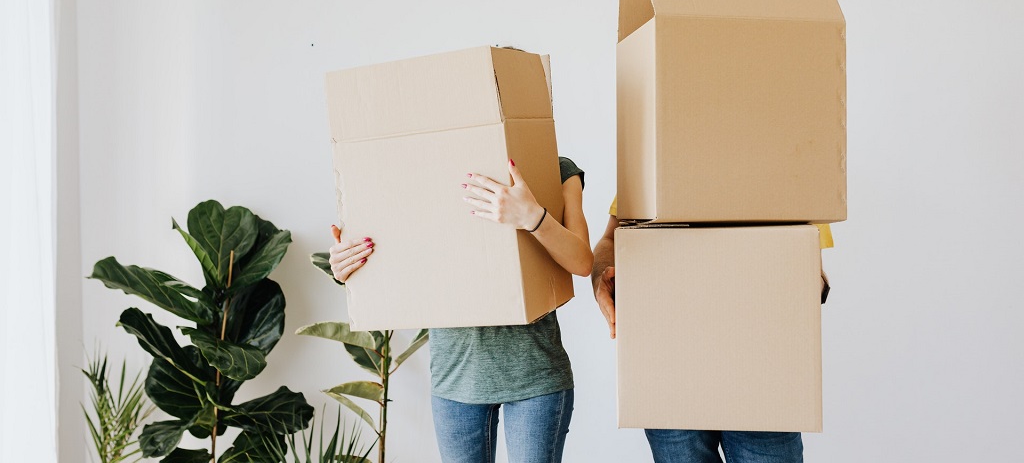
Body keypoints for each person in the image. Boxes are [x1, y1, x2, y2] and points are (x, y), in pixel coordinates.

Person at [329, 157, 592, 463]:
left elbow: (583, 262)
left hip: (535, 376)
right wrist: (350, 264)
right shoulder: (419, 169)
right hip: (455, 379)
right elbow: (395, 252)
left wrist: (532, 216)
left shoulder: (555, 167)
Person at [591, 197, 830, 463]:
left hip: (762, 370)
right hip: (669, 368)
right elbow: (611, 240)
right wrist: (600, 281)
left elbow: (808, 254)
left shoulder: (786, 168)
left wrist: (802, 287)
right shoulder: (655, 162)